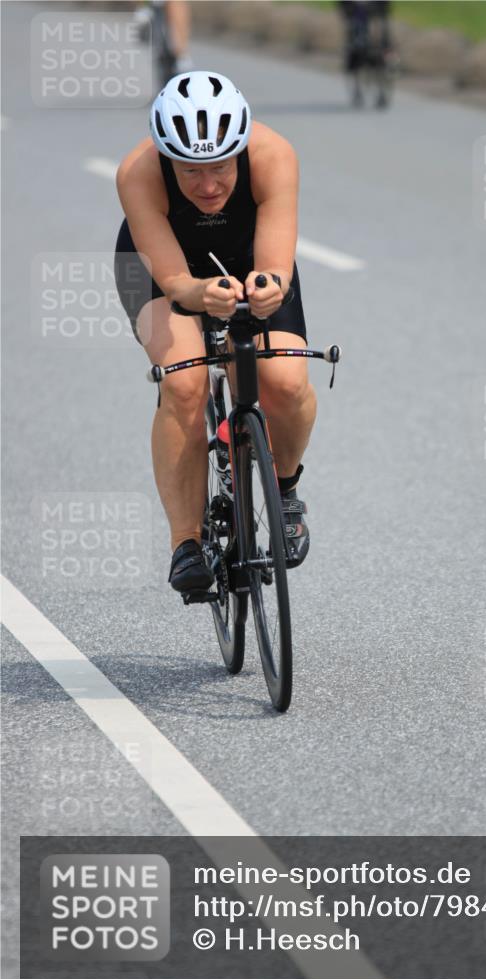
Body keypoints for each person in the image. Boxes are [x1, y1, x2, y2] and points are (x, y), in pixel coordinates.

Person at [114, 71, 315, 595]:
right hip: (160, 269)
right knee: (182, 382)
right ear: (166, 158)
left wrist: (269, 287)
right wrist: (199, 295)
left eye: (221, 168)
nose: (207, 187)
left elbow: (275, 267)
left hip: (248, 256)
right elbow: (176, 281)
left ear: (240, 149)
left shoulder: (273, 155)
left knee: (286, 382)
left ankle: (285, 489)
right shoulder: (137, 172)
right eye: (190, 172)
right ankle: (186, 542)